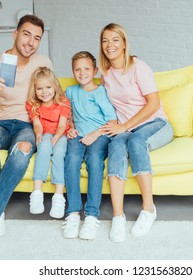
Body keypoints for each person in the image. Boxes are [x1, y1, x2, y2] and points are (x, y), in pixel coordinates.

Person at [0, 15, 53, 245]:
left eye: (36, 38)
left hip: (26, 124)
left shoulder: (42, 62)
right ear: (15, 34)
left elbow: (52, 96)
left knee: (23, 148)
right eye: (26, 34)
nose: (30, 42)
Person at [99, 23, 174, 242]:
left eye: (115, 40)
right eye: (105, 40)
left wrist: (124, 126)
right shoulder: (105, 73)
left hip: (155, 123)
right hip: (126, 128)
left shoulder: (138, 66)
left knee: (136, 141)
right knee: (116, 147)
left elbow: (153, 104)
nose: (110, 45)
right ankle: (118, 216)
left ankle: (149, 209)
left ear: (124, 44)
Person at [62, 51, 117, 240]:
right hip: (78, 136)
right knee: (71, 159)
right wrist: (69, 128)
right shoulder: (70, 92)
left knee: (94, 161)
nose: (82, 72)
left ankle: (92, 214)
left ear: (94, 71)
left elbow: (112, 119)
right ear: (73, 72)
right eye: (77, 69)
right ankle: (73, 213)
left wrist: (96, 134)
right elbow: (66, 115)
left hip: (100, 135)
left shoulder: (100, 91)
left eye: (86, 69)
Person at [26, 67, 70, 218]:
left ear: (55, 87)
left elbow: (63, 125)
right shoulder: (33, 104)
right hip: (45, 133)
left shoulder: (63, 102)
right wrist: (38, 134)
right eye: (40, 88)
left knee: (58, 153)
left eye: (48, 87)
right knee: (44, 147)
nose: (44, 92)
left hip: (61, 134)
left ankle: (58, 197)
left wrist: (56, 137)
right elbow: (37, 124)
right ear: (35, 90)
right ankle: (37, 192)